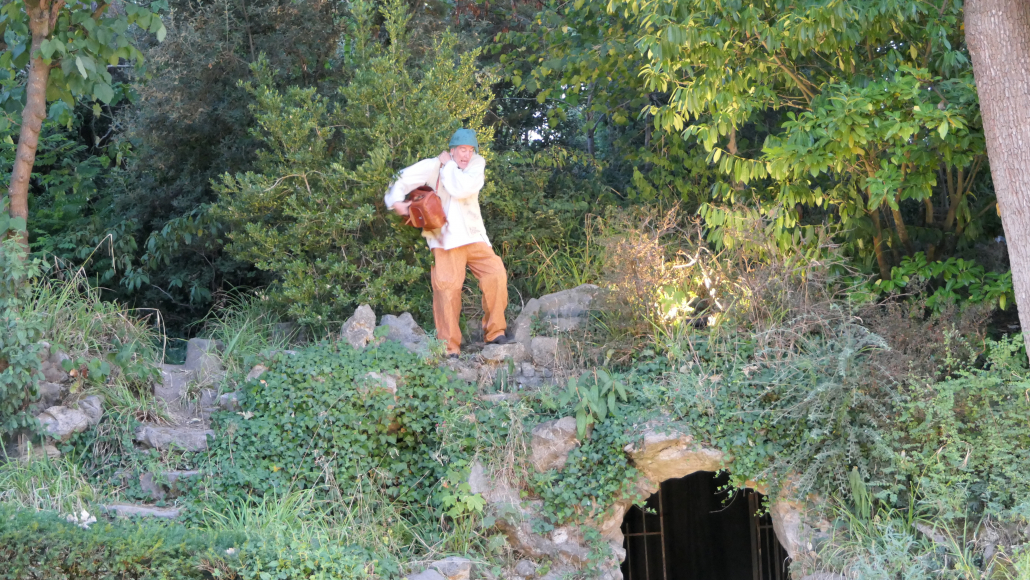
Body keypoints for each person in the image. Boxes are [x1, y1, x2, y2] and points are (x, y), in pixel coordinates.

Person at [384, 129, 512, 356]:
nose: (467, 155)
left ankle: (495, 333)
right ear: (452, 150)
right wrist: (396, 202)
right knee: (447, 289)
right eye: (462, 150)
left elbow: (460, 188)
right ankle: (449, 347)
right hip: (444, 239)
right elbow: (401, 178)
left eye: (470, 150)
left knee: (496, 274)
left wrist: (449, 165)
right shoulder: (434, 165)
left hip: (474, 236)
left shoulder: (476, 164)